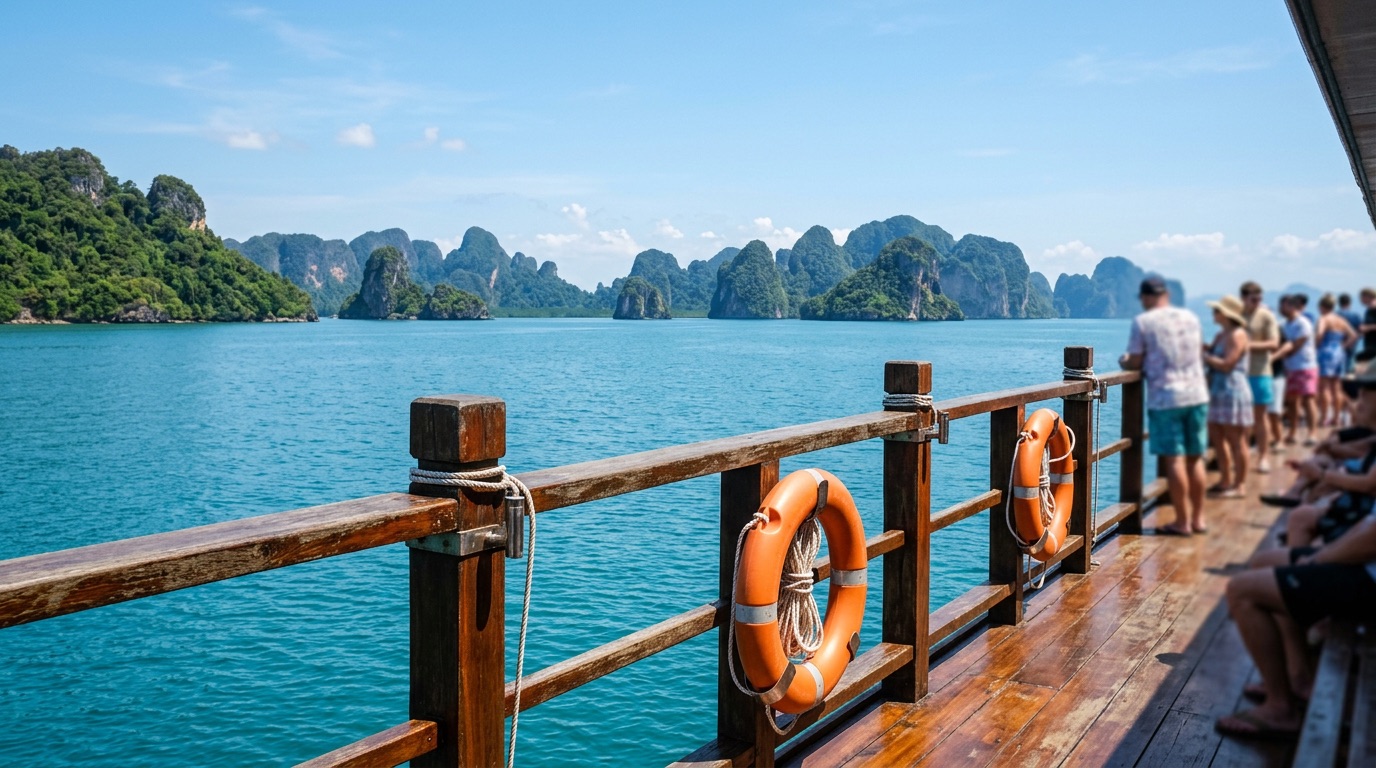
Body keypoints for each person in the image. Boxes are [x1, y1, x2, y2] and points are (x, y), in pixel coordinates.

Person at [1216, 370, 1376, 740]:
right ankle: (1297, 676)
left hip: (1368, 581)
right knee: (1265, 564)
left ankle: (1280, 707)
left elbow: (1371, 537)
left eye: (1366, 395)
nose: (1359, 403)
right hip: (1364, 569)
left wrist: (1319, 560)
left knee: (1243, 590)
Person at [1120, 277, 1210, 535]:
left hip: (1167, 398)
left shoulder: (1144, 322)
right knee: (1195, 459)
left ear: (1146, 298)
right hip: (1197, 394)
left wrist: (1126, 361)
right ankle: (1199, 519)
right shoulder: (1190, 318)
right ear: (1166, 295)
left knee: (1175, 459)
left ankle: (1182, 522)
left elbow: (1135, 361)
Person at [1204, 295, 1253, 497]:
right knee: (1217, 437)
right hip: (1218, 390)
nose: (1214, 314)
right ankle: (1225, 480)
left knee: (1236, 440)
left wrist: (1205, 357)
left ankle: (1239, 485)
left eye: (1217, 311)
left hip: (1233, 390)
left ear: (1226, 314)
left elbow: (1227, 364)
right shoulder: (1221, 335)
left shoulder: (1237, 335)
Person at [1241, 282, 1281, 473]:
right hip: (1239, 373)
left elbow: (1274, 343)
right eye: (1253, 298)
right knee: (1240, 418)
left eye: (1259, 298)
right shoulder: (1237, 315)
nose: (1257, 302)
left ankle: (1263, 456)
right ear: (1244, 298)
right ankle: (1243, 454)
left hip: (1261, 372)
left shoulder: (1266, 316)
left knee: (1260, 417)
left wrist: (1246, 346)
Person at [1275, 295, 1320, 446]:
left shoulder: (1303, 324)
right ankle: (1293, 432)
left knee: (1308, 400)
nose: (1280, 309)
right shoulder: (1284, 324)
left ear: (1291, 306)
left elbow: (1296, 346)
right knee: (1292, 402)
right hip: (1290, 367)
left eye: (1283, 306)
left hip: (1305, 366)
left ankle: (1312, 433)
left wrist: (1279, 354)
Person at [1315, 294, 1358, 426]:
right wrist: (1343, 346)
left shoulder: (1324, 319)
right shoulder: (1340, 320)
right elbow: (1354, 335)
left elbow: (1319, 334)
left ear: (1321, 307)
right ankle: (1337, 417)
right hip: (1339, 352)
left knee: (1325, 387)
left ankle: (1324, 417)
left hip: (1325, 352)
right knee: (1337, 386)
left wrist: (1316, 344)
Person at [1339, 293, 1364, 372]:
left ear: (1339, 303)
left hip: (1338, 344)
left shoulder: (1334, 315)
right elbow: (1361, 331)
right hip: (1352, 344)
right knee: (1349, 367)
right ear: (1350, 303)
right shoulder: (1356, 316)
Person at [1357, 288, 1376, 373]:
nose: (1360, 300)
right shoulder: (1369, 309)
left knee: (1361, 359)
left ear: (1368, 297)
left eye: (1361, 297)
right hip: (1369, 344)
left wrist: (1367, 328)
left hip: (1373, 346)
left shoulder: (1373, 308)